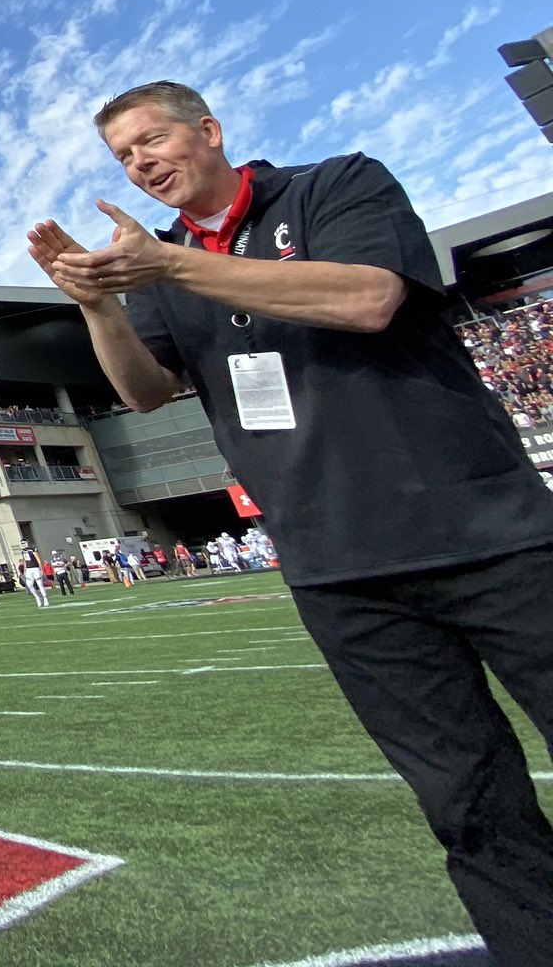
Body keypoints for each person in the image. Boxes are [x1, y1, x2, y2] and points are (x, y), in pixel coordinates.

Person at [28, 79, 553, 965]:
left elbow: (366, 299)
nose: (140, 163)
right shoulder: (157, 268)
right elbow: (144, 393)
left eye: (151, 140)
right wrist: (97, 303)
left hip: (489, 533)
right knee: (470, 806)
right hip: (337, 571)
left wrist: (167, 265)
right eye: (122, 156)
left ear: (210, 130)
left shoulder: (334, 185)